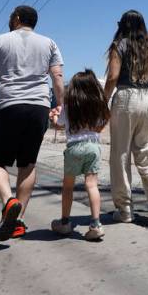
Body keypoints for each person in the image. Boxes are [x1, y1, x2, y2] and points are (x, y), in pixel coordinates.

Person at [0, 5, 64, 242]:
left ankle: (8, 200)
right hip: (38, 109)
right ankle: (17, 221)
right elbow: (57, 76)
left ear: (17, 18)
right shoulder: (49, 43)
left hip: (9, 107)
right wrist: (61, 104)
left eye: (10, 16)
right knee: (27, 164)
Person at [104, 10, 148, 223]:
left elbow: (113, 76)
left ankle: (125, 209)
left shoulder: (120, 45)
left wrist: (103, 101)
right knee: (145, 150)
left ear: (123, 25)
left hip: (127, 97)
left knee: (120, 155)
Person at [48, 69, 109, 241]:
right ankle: (96, 224)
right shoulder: (98, 107)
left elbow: (58, 125)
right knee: (92, 185)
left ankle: (65, 222)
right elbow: (101, 125)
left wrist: (53, 117)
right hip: (93, 147)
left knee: (68, 186)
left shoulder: (68, 108)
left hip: (74, 148)